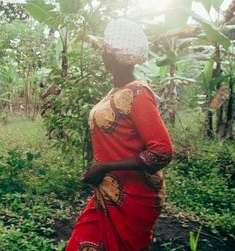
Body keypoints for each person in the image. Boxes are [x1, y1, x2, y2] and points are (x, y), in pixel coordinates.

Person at [66, 19, 173, 251]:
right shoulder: (116, 91)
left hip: (133, 197)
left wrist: (105, 167)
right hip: (107, 192)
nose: (102, 53)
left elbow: (162, 152)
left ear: (110, 54)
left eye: (104, 49)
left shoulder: (139, 94)